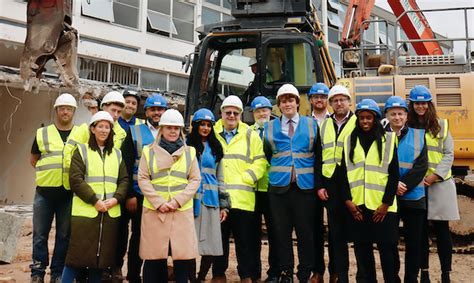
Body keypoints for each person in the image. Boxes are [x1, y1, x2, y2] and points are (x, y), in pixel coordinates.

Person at [264, 84, 323, 282]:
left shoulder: (311, 124)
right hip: (278, 188)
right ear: (278, 105)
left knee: (306, 233)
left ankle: (304, 272)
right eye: (283, 101)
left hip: (304, 188)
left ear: (298, 103)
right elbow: (267, 153)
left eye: (291, 100)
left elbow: (318, 155)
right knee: (281, 233)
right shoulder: (269, 126)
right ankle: (285, 272)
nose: (287, 104)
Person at [61, 111, 128, 282]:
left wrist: (115, 199)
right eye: (100, 126)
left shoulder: (117, 154)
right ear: (92, 129)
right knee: (75, 257)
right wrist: (95, 201)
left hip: (109, 213)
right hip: (86, 213)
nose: (104, 130)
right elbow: (75, 180)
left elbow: (124, 180)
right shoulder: (81, 151)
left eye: (107, 127)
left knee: (100, 260)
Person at [138, 109, 201, 283]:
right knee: (153, 258)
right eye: (169, 128)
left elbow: (195, 180)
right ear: (162, 129)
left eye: (176, 128)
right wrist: (159, 202)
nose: (173, 131)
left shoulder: (190, 153)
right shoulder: (148, 151)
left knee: (182, 259)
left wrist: (176, 202)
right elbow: (143, 178)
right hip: (155, 212)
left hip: (180, 211)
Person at [340, 99, 399, 283]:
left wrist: (385, 204)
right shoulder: (349, 141)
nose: (365, 121)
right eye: (362, 118)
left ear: (375, 119)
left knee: (388, 253)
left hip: (383, 209)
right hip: (359, 208)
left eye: (369, 118)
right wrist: (348, 202)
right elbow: (343, 175)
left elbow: (394, 176)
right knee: (362, 254)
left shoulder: (388, 140)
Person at [407, 86, 459, 283]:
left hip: (439, 184)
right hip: (417, 186)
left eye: (424, 103)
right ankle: (425, 273)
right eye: (417, 103)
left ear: (429, 105)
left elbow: (448, 154)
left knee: (442, 231)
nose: (420, 106)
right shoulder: (408, 127)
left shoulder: (441, 125)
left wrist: (434, 176)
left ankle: (446, 274)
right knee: (420, 233)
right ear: (411, 105)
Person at [212, 95, 267, 282]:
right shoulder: (212, 132)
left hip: (243, 199)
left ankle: (246, 275)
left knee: (246, 242)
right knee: (219, 241)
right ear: (221, 113)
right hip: (219, 198)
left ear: (241, 115)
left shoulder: (250, 134)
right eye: (228, 112)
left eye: (236, 113)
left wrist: (247, 178)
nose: (232, 115)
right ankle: (218, 274)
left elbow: (260, 161)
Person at [119, 93, 168, 283]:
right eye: (153, 109)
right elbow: (126, 164)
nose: (157, 113)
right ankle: (133, 276)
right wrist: (130, 194)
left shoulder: (171, 131)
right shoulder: (135, 132)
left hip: (162, 197)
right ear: (146, 111)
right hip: (140, 196)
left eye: (160, 109)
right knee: (138, 237)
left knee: (159, 239)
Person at [30, 93, 78, 283]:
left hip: (68, 194)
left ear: (74, 111)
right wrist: (47, 174)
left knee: (64, 236)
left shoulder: (80, 134)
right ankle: (37, 273)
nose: (65, 111)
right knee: (40, 235)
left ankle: (57, 274)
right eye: (62, 108)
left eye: (69, 108)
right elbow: (33, 160)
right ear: (56, 110)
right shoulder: (43, 133)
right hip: (44, 193)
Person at [384, 96, 428, 283]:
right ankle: (393, 278)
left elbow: (421, 166)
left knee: (414, 243)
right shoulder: (380, 135)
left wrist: (404, 185)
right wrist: (394, 185)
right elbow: (377, 165)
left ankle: (412, 278)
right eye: (393, 114)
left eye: (400, 113)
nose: (397, 117)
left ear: (406, 115)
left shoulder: (418, 135)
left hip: (414, 197)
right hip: (389, 198)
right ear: (387, 115)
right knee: (390, 242)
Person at [317, 85, 356, 283]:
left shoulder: (359, 122)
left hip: (353, 185)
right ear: (330, 104)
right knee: (336, 235)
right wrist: (320, 185)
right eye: (335, 100)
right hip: (330, 185)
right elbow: (318, 156)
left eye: (343, 99)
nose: (339, 103)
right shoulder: (324, 124)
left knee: (357, 236)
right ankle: (339, 276)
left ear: (349, 102)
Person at [186, 108, 229, 282]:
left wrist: (224, 204)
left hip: (211, 202)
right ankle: (190, 277)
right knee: (189, 243)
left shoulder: (216, 148)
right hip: (190, 201)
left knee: (211, 243)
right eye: (202, 124)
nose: (205, 128)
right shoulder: (186, 146)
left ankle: (201, 277)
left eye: (208, 125)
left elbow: (220, 177)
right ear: (195, 126)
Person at [63, 91, 127, 190]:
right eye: (113, 110)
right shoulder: (85, 129)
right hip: (83, 185)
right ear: (103, 107)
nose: (115, 115)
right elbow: (68, 153)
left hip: (108, 187)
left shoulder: (121, 134)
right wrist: (74, 181)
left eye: (119, 112)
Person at [249, 96, 278, 282]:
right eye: (258, 111)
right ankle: (253, 272)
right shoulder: (247, 132)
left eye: (265, 110)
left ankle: (274, 272)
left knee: (275, 233)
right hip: (252, 190)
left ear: (270, 111)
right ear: (253, 114)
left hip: (271, 188)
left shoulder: (277, 130)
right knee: (252, 235)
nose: (262, 114)